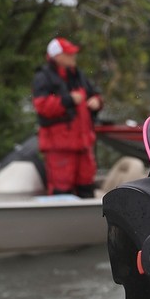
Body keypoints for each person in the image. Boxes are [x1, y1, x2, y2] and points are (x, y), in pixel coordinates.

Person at [31, 37, 103, 197]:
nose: (73, 57)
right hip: (60, 146)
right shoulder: (43, 77)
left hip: (83, 144)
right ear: (57, 56)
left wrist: (97, 102)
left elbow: (95, 94)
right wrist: (68, 100)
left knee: (87, 186)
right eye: (69, 54)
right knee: (61, 189)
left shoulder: (78, 75)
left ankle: (89, 220)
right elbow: (41, 106)